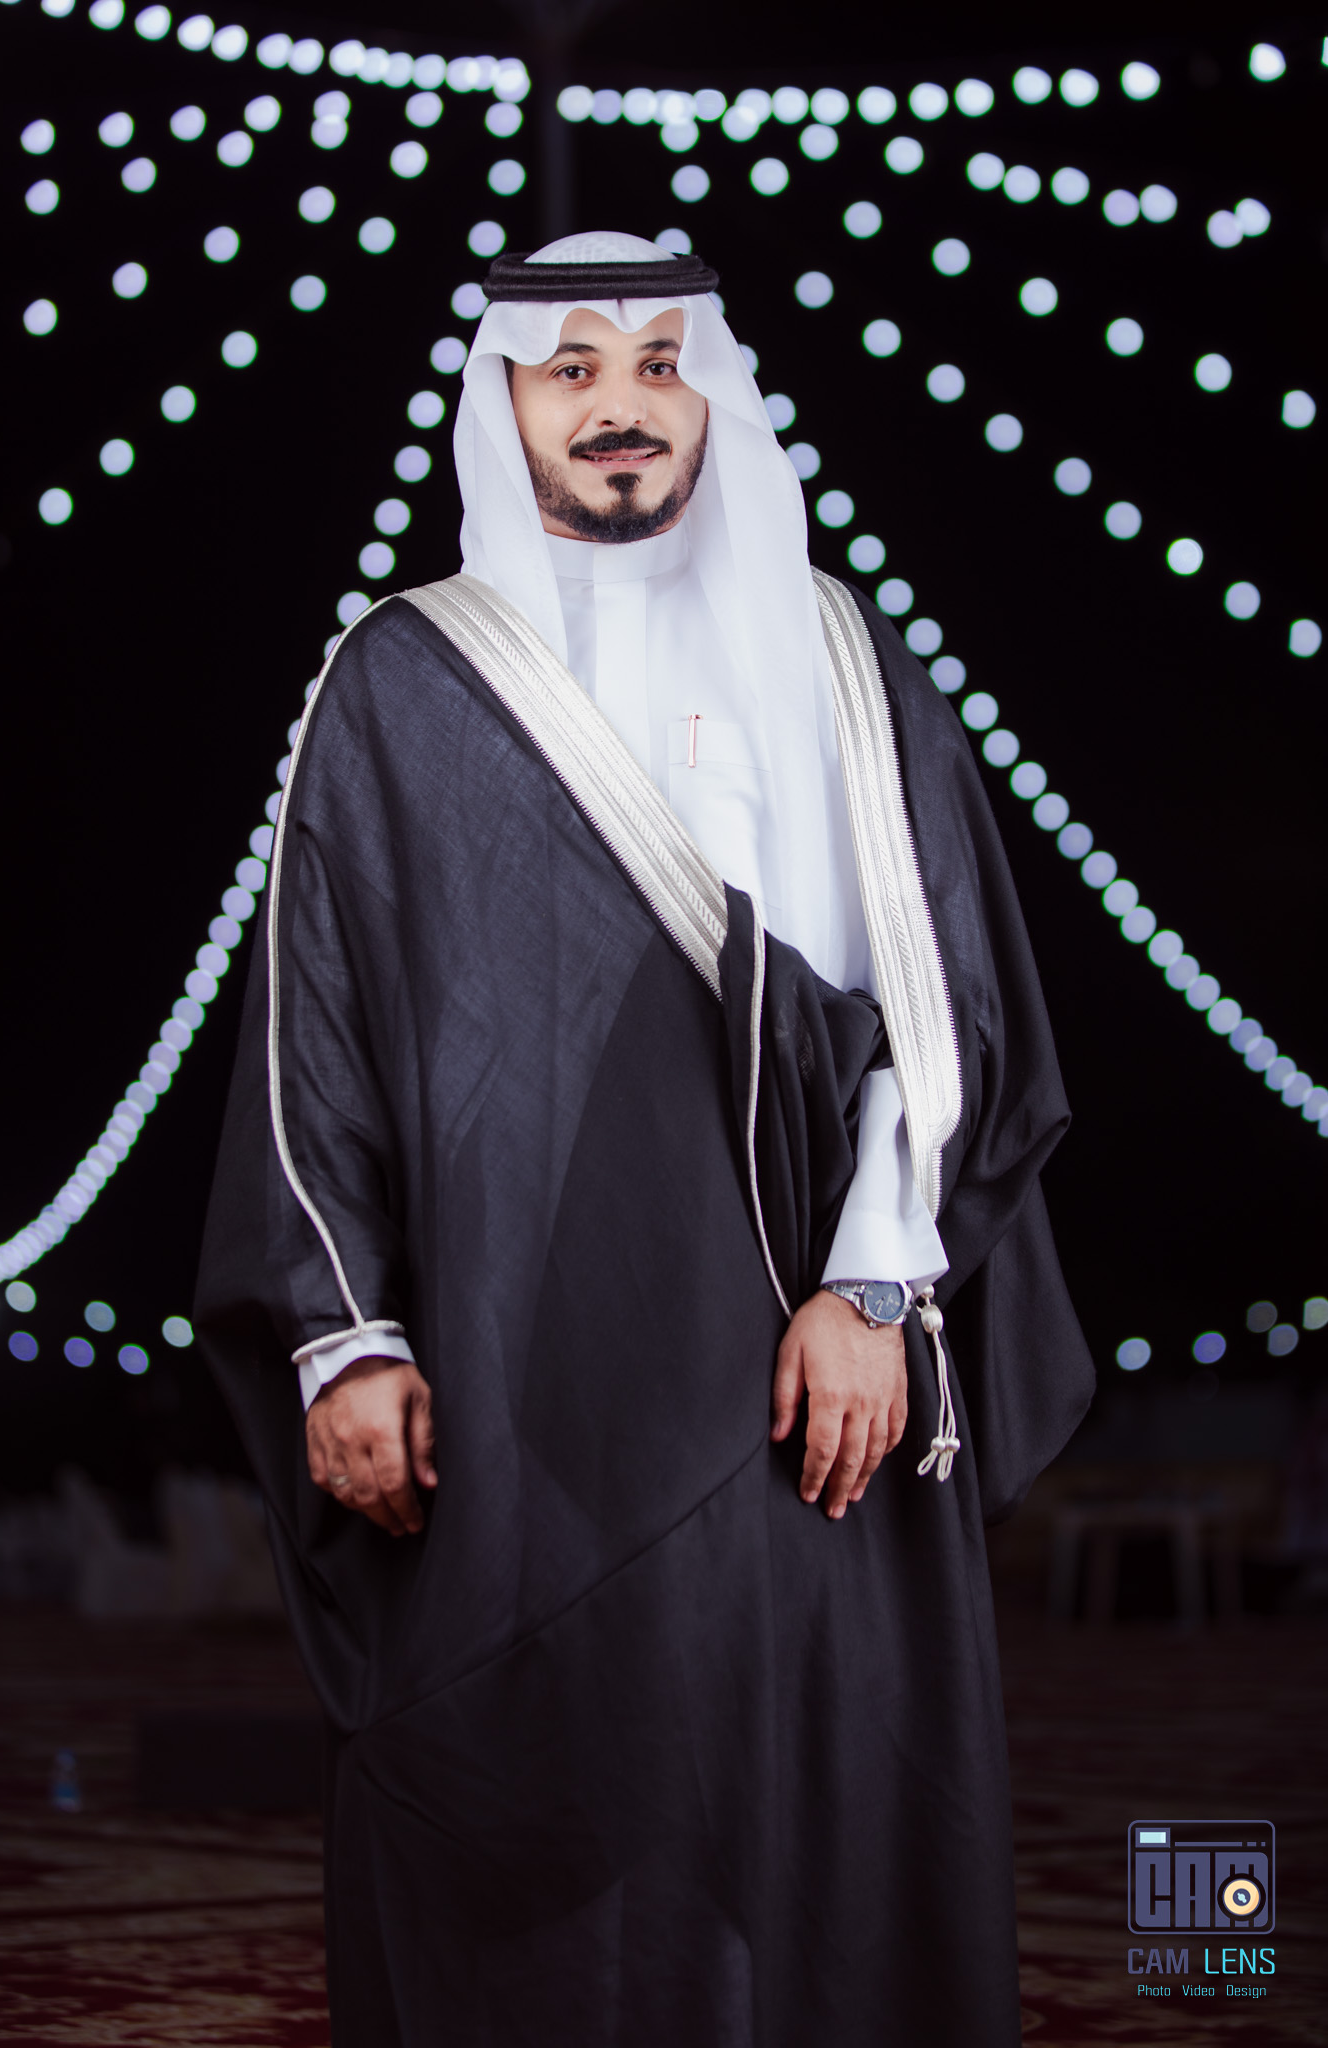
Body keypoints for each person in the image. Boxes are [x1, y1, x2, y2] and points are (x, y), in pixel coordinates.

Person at [196, 230, 1094, 2047]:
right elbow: (314, 1041)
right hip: (510, 1373)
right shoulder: (402, 680)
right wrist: (342, 1338)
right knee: (531, 1822)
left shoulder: (836, 659)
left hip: (807, 1370)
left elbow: (939, 1004)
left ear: (716, 396)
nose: (622, 406)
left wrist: (873, 1286)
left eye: (661, 363)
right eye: (575, 368)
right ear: (505, 401)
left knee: (805, 1811)